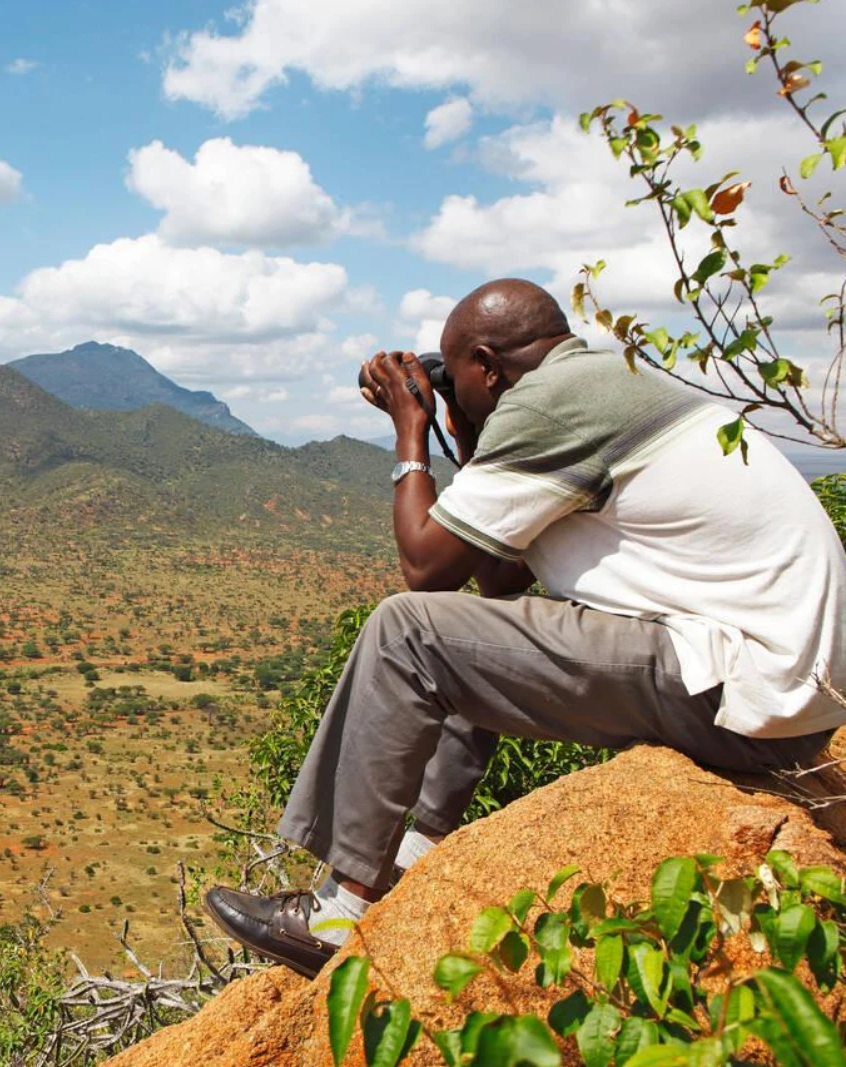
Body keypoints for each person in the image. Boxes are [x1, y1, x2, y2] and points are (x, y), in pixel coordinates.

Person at [204, 278, 846, 979]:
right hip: (777, 684)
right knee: (471, 635)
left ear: (485, 365)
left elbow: (425, 568)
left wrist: (412, 433)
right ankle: (415, 858)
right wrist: (470, 431)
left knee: (407, 630)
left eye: (459, 378)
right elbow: (500, 583)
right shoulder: (601, 381)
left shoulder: (550, 404)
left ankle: (340, 912)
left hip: (743, 686)